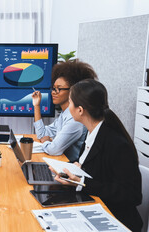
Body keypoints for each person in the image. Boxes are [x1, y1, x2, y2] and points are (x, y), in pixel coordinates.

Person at [51, 79, 142, 231]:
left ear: (80, 110)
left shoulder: (116, 144)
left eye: (70, 102)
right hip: (93, 207)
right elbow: (95, 166)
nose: (67, 107)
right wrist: (74, 167)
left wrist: (82, 181)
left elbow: (132, 195)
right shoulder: (93, 132)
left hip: (114, 219)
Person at [32, 59, 97, 161]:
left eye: (59, 88)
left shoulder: (75, 119)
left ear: (73, 91)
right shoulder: (65, 114)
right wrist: (36, 106)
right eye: (53, 88)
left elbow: (54, 149)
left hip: (70, 169)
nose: (54, 92)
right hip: (61, 163)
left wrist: (45, 142)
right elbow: (42, 134)